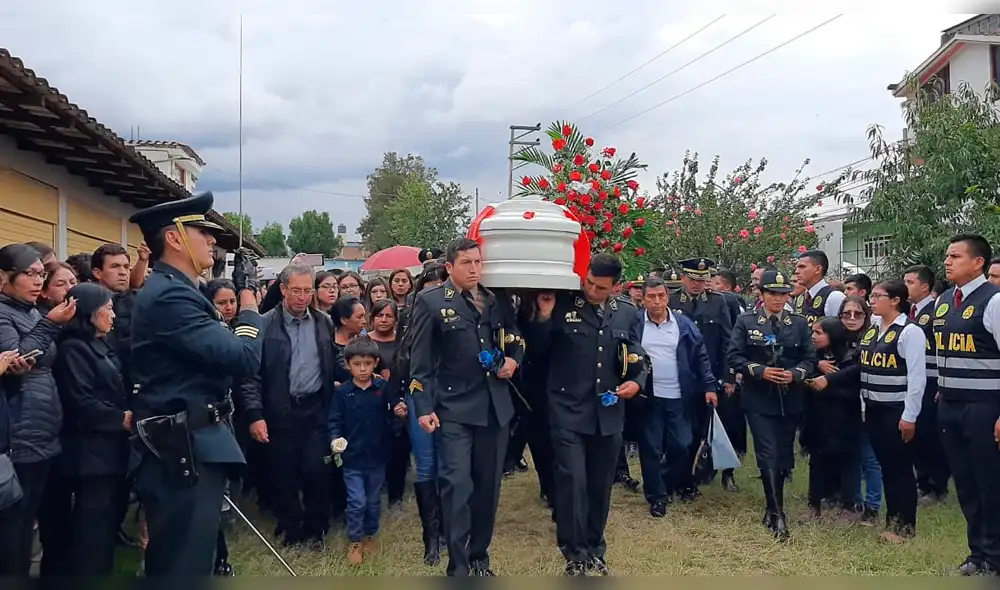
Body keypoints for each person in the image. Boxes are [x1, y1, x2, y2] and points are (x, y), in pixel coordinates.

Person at [127, 192, 263, 576]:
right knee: (183, 566)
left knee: (192, 557)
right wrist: (249, 299)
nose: (212, 240)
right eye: (202, 231)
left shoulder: (182, 289)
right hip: (183, 445)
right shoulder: (169, 296)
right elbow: (244, 358)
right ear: (174, 238)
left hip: (193, 439)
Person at [526, 253, 647, 576]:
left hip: (608, 411)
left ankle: (595, 546)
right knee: (572, 481)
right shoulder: (563, 304)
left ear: (616, 287)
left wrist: (637, 381)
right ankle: (574, 550)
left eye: (600, 287)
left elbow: (636, 355)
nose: (592, 290)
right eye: (589, 282)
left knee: (599, 484)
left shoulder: (627, 312)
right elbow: (536, 352)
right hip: (567, 409)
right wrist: (544, 317)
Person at [408, 238, 523, 577]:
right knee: (456, 486)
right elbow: (420, 362)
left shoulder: (496, 299)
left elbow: (516, 339)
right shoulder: (431, 302)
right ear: (449, 267)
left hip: (494, 408)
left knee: (487, 489)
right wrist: (423, 406)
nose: (474, 269)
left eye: (478, 262)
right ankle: (457, 566)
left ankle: (478, 557)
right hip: (454, 408)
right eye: (466, 263)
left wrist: (514, 361)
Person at [238, 263, 337, 549]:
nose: (303, 297)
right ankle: (291, 528)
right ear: (283, 289)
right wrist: (255, 414)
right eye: (296, 291)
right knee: (283, 474)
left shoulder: (323, 322)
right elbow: (250, 375)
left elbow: (333, 360)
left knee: (317, 470)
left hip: (315, 409)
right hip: (280, 411)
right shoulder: (265, 324)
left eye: (308, 291)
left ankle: (316, 529)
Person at [0, 244, 77, 576]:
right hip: (19, 430)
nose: (36, 281)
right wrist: (49, 324)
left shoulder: (30, 311)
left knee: (35, 517)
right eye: (29, 274)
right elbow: (17, 359)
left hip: (43, 427)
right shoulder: (4, 314)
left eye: (41, 274)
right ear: (3, 277)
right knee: (14, 527)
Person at [47, 283, 129, 576]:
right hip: (87, 452)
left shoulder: (101, 345)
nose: (113, 316)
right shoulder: (72, 350)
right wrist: (119, 418)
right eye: (107, 309)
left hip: (107, 448)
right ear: (89, 313)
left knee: (103, 521)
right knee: (91, 524)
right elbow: (79, 400)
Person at [728, 268, 815, 540]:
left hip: (790, 399)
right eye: (772, 294)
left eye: (783, 294)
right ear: (761, 294)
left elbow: (810, 359)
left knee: (783, 454)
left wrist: (796, 374)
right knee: (767, 453)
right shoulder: (746, 321)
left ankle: (771, 507)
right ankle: (778, 514)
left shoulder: (798, 323)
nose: (778, 299)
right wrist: (760, 371)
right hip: (758, 399)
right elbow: (734, 356)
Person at [936, 234, 1000, 576]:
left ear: (978, 263)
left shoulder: (994, 301)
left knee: (989, 484)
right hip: (950, 404)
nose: (947, 261)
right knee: (965, 484)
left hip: (983, 407)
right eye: (947, 256)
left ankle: (994, 557)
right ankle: (977, 553)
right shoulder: (946, 300)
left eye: (956, 256)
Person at [635, 277, 716, 518]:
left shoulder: (683, 324)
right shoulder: (635, 324)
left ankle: (665, 481)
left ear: (667, 297)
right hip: (649, 396)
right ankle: (657, 497)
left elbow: (701, 356)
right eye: (651, 297)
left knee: (682, 444)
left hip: (679, 395)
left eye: (661, 296)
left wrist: (709, 386)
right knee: (650, 447)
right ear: (643, 299)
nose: (657, 301)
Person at [328, 336, 407, 565]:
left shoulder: (382, 388)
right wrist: (335, 439)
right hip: (352, 459)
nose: (362, 369)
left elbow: (394, 411)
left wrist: (399, 411)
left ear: (376, 363)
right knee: (356, 501)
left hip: (377, 457)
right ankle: (355, 540)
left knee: (373, 501)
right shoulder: (342, 393)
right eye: (357, 364)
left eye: (367, 364)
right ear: (348, 365)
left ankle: (371, 533)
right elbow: (334, 421)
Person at [389, 263, 448, 566]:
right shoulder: (410, 316)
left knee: (449, 464)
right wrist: (398, 396)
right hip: (419, 392)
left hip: (451, 395)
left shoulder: (460, 315)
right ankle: (431, 538)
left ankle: (449, 529)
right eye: (429, 288)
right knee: (426, 463)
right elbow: (401, 359)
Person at [859, 279, 925, 543]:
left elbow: (917, 378)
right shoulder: (873, 329)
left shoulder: (909, 332)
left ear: (896, 300)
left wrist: (909, 416)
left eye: (878, 296)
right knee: (886, 466)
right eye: (872, 296)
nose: (872, 301)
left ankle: (905, 526)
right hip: (873, 408)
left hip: (895, 410)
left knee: (900, 469)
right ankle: (892, 521)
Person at [670, 257, 735, 494]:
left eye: (702, 279)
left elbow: (727, 341)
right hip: (678, 374)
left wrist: (727, 376)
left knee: (701, 429)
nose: (697, 284)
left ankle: (693, 478)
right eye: (692, 279)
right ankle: (676, 476)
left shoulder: (717, 302)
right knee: (678, 429)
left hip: (708, 377)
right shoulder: (671, 300)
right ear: (683, 278)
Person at [806, 317, 862, 519]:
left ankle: (848, 506)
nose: (814, 337)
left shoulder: (850, 356)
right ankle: (814, 504)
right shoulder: (815, 356)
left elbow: (853, 388)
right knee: (817, 459)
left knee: (846, 461)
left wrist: (827, 384)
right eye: (813, 332)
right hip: (818, 417)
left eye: (819, 333)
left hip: (845, 417)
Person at [903, 264, 950, 505]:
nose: (906, 287)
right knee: (917, 433)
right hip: (913, 380)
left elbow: (944, 348)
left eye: (910, 282)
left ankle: (936, 486)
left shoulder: (935, 311)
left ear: (924, 286)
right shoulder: (909, 311)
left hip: (932, 381)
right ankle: (922, 481)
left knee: (930, 435)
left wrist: (942, 382)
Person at [793, 250, 846, 324]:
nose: (796, 271)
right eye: (797, 267)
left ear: (817, 269)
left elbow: (839, 327)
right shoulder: (800, 298)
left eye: (802, 267)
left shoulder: (834, 297)